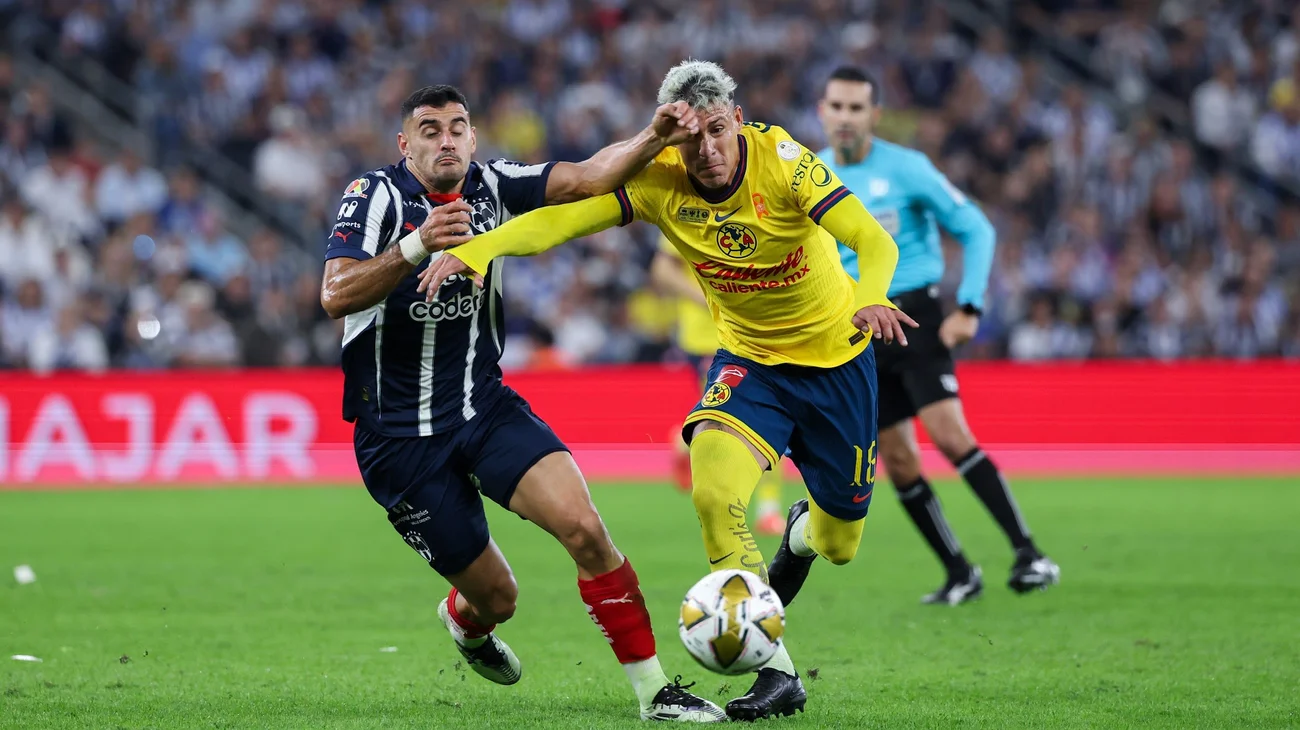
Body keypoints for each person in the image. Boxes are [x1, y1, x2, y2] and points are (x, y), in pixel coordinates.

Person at [419, 61, 915, 722]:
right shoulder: (658, 181)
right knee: (711, 488)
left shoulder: (784, 161)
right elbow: (559, 222)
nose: (706, 151)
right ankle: (775, 671)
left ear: (737, 121)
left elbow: (870, 239)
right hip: (751, 366)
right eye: (690, 138)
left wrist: (872, 297)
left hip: (838, 367)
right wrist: (483, 247)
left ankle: (800, 532)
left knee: (838, 542)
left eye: (717, 131)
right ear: (671, 139)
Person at [318, 84, 725, 723]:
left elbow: (591, 176)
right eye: (429, 129)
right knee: (498, 599)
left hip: (484, 408)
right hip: (398, 441)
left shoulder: (494, 185)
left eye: (457, 127)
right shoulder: (374, 197)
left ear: (474, 139)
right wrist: (418, 245)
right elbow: (335, 294)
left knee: (587, 529)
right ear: (405, 144)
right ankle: (466, 620)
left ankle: (655, 695)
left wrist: (655, 137)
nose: (446, 140)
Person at [817, 66, 1060, 604]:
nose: (845, 117)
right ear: (822, 111)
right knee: (898, 460)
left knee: (949, 436)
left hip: (913, 317)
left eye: (857, 108)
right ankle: (959, 571)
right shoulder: (812, 175)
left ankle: (1029, 553)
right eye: (837, 106)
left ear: (875, 116)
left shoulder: (907, 168)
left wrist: (970, 304)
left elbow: (976, 226)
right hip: (855, 330)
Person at [648, 239, 790, 536]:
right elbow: (662, 269)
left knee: (769, 415)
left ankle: (768, 509)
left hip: (758, 332)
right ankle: (684, 443)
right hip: (709, 338)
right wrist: (705, 296)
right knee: (724, 423)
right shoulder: (687, 207)